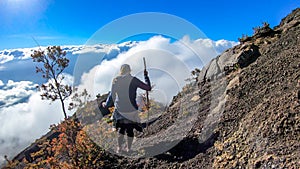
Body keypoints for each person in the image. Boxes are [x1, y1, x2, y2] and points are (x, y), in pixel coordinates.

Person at [104, 64, 151, 153]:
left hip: (120, 109)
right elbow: (147, 87)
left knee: (121, 129)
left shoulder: (116, 80)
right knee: (130, 129)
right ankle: (128, 149)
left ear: (121, 71)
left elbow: (112, 96)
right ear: (130, 70)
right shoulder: (134, 80)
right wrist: (146, 76)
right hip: (131, 109)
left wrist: (106, 105)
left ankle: (119, 148)